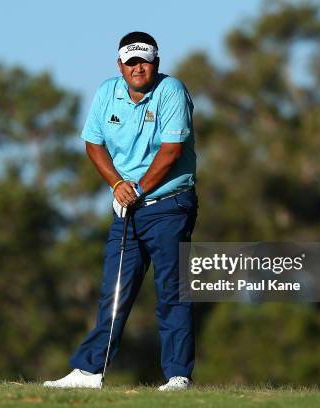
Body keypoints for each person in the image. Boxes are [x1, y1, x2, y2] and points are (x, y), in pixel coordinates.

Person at [43, 31, 198, 391]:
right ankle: (89, 371)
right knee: (115, 289)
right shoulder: (106, 92)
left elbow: (172, 151)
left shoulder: (171, 91)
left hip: (170, 205)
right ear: (120, 65)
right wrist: (117, 184)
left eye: (143, 61)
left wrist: (138, 188)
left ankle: (178, 375)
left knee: (171, 290)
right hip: (127, 207)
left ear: (156, 63)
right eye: (131, 62)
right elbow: (93, 142)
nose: (137, 68)